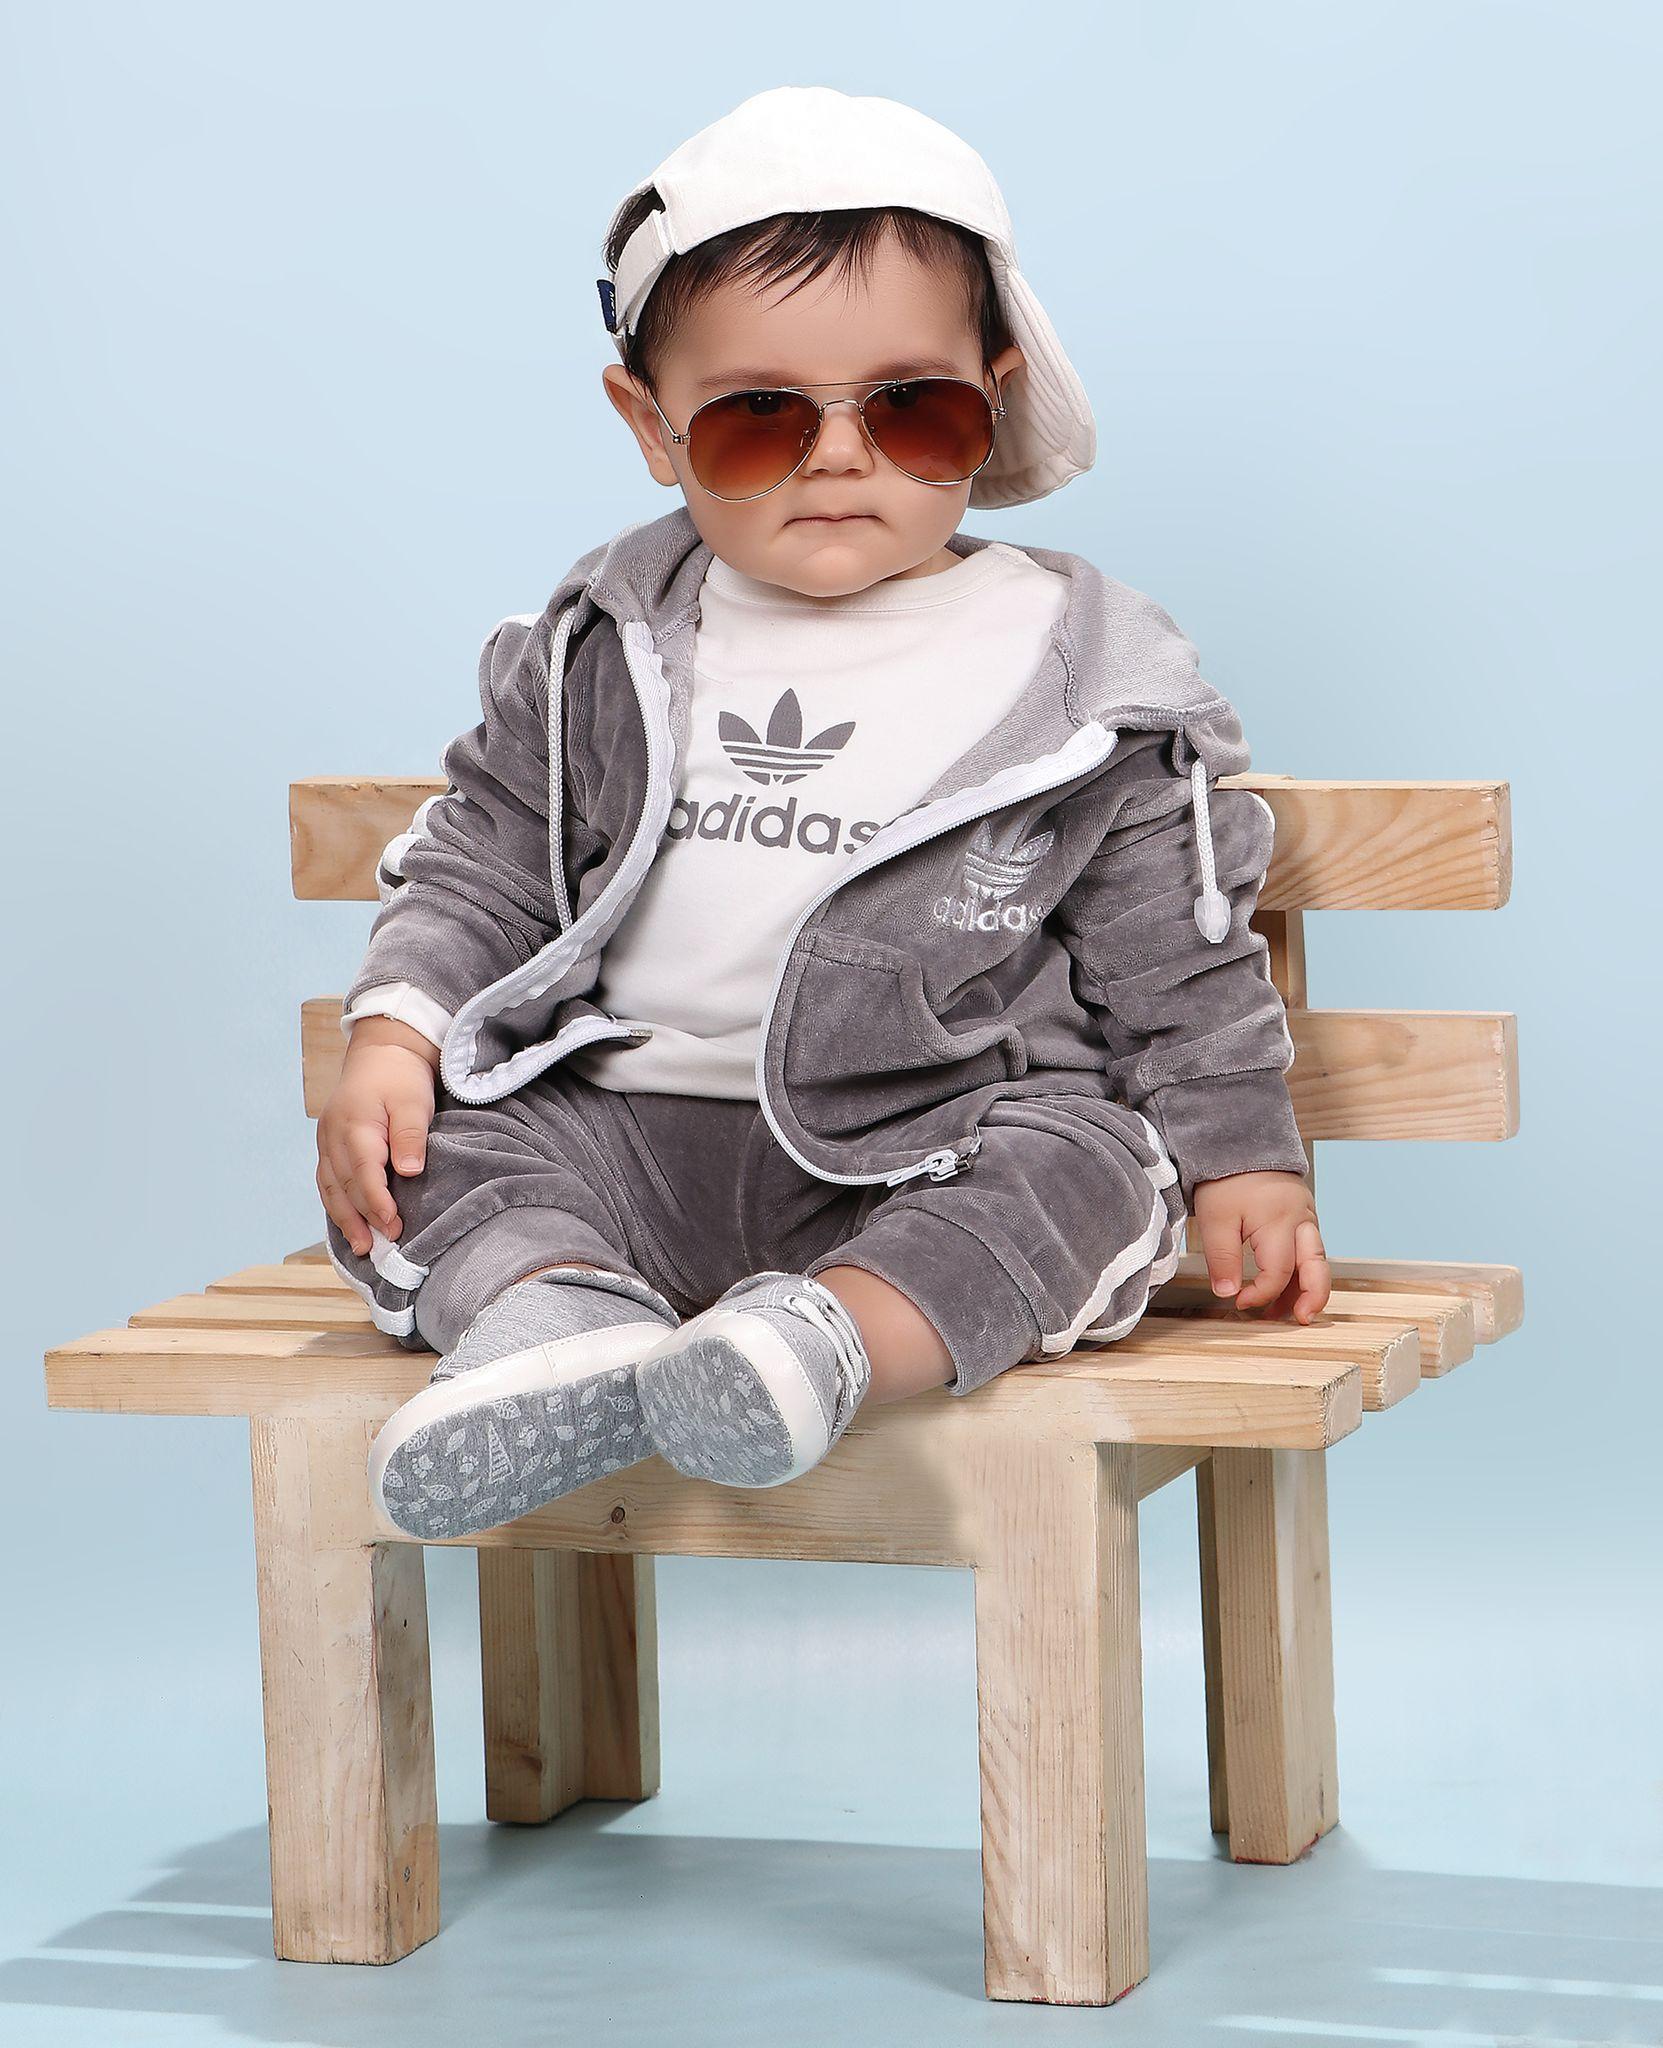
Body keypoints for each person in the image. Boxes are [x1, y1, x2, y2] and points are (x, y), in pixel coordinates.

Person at [318, 86, 1330, 1542]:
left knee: (1083, 1167)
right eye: (757, 421)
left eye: (912, 406)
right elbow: (484, 859)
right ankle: (560, 1318)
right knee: (428, 1156)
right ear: (651, 425)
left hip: (928, 1142)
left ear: (994, 394)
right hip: (619, 1131)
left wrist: (1245, 1155)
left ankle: (822, 1343)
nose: (840, 455)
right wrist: (394, 1034)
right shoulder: (610, 638)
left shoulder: (1076, 675)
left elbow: (1179, 960)